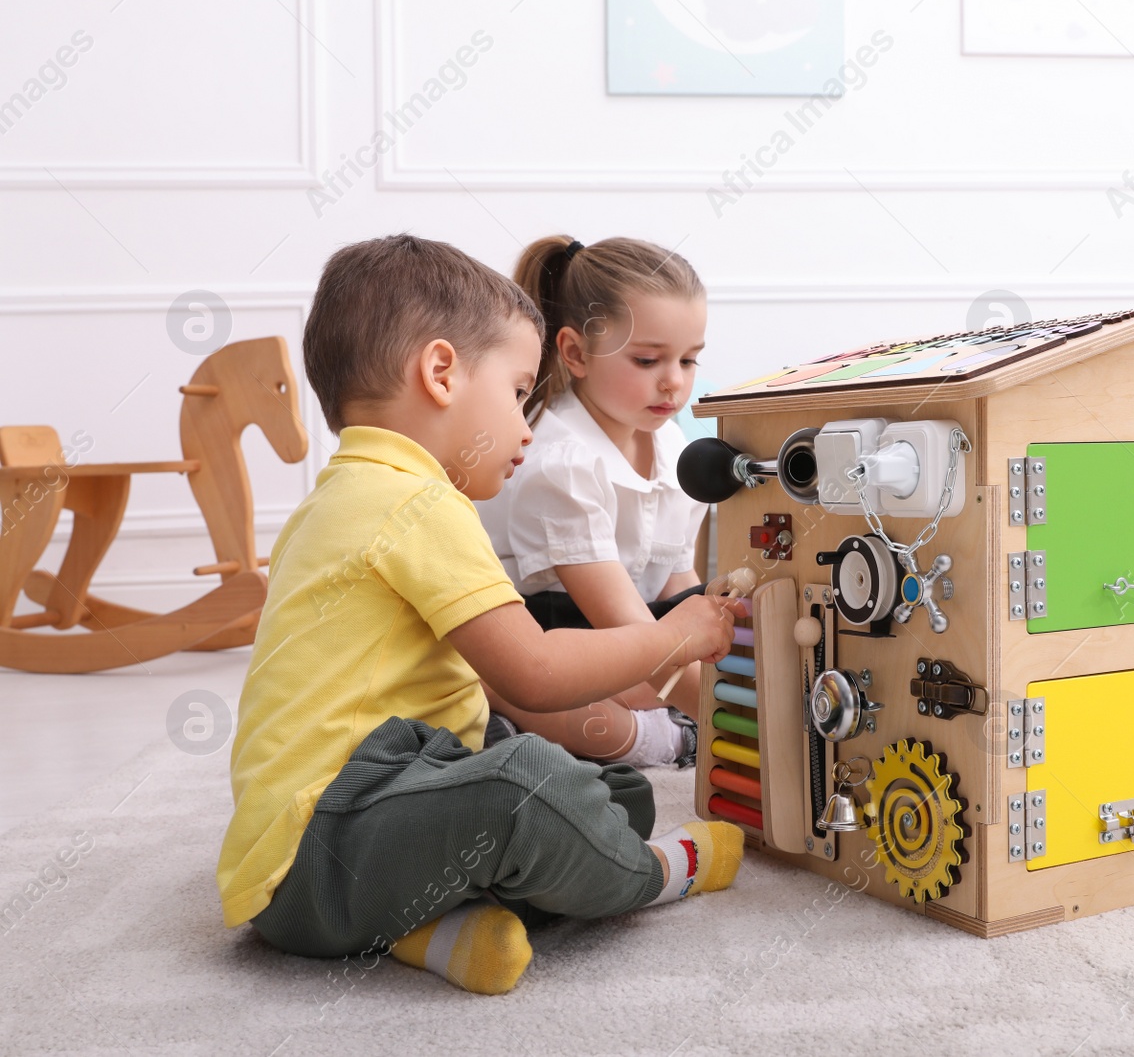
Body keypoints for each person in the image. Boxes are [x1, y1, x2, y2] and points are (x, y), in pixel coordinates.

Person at [215, 234, 743, 995]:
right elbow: (531, 674)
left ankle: (423, 931)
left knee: (610, 792)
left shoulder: (336, 497)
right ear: (439, 373)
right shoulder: (418, 500)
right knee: (526, 786)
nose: (529, 422)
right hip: (323, 850)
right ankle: (659, 871)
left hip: (352, 846)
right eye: (518, 390)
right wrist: (672, 636)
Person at [474, 235, 711, 768]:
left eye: (690, 360)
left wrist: (716, 645)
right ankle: (666, 739)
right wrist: (733, 721)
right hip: (563, 636)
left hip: (635, 636)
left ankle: (671, 715)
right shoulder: (560, 464)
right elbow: (625, 628)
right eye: (648, 360)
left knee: (742, 649)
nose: (674, 382)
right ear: (576, 354)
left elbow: (675, 577)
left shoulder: (674, 449)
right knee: (545, 700)